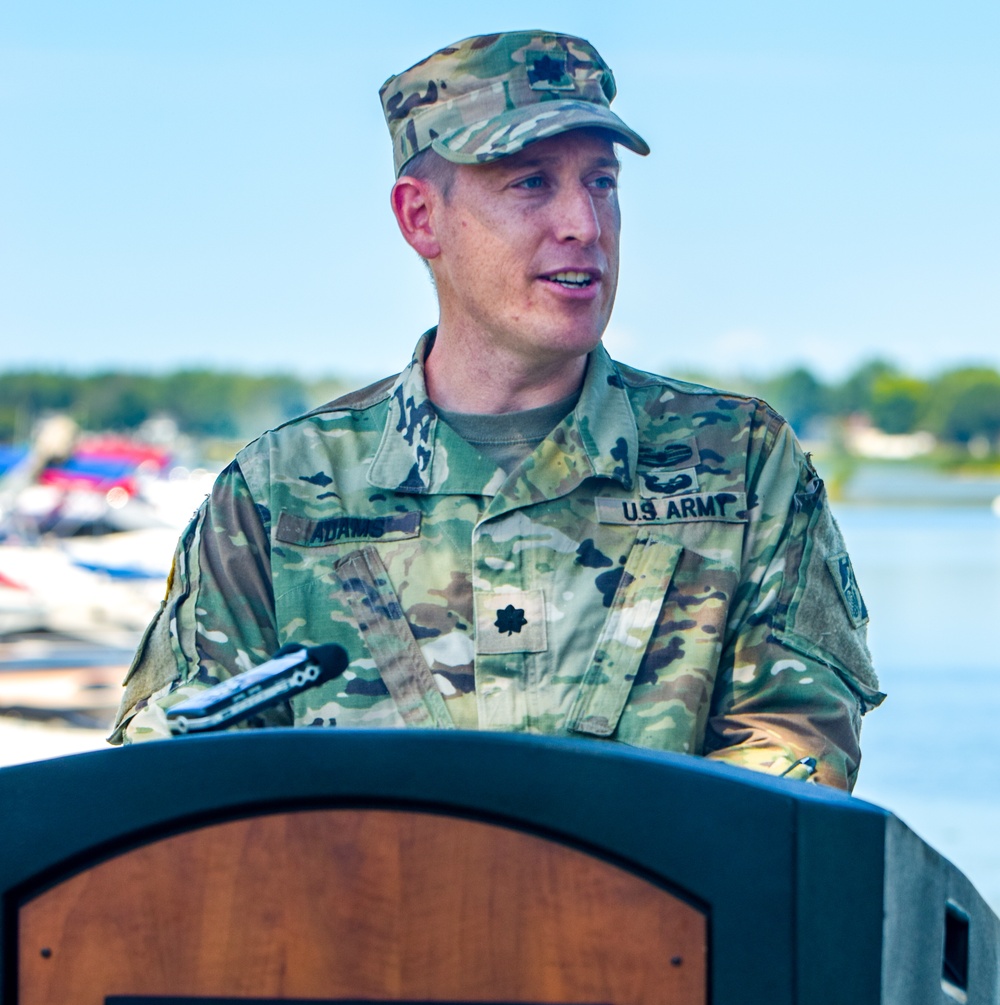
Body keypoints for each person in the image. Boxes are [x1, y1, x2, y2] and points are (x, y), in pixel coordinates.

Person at [112, 30, 883, 789]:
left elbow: (796, 757)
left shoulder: (741, 465)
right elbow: (171, 773)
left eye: (602, 183)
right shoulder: (280, 491)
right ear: (421, 219)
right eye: (531, 183)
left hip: (650, 916)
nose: (583, 223)